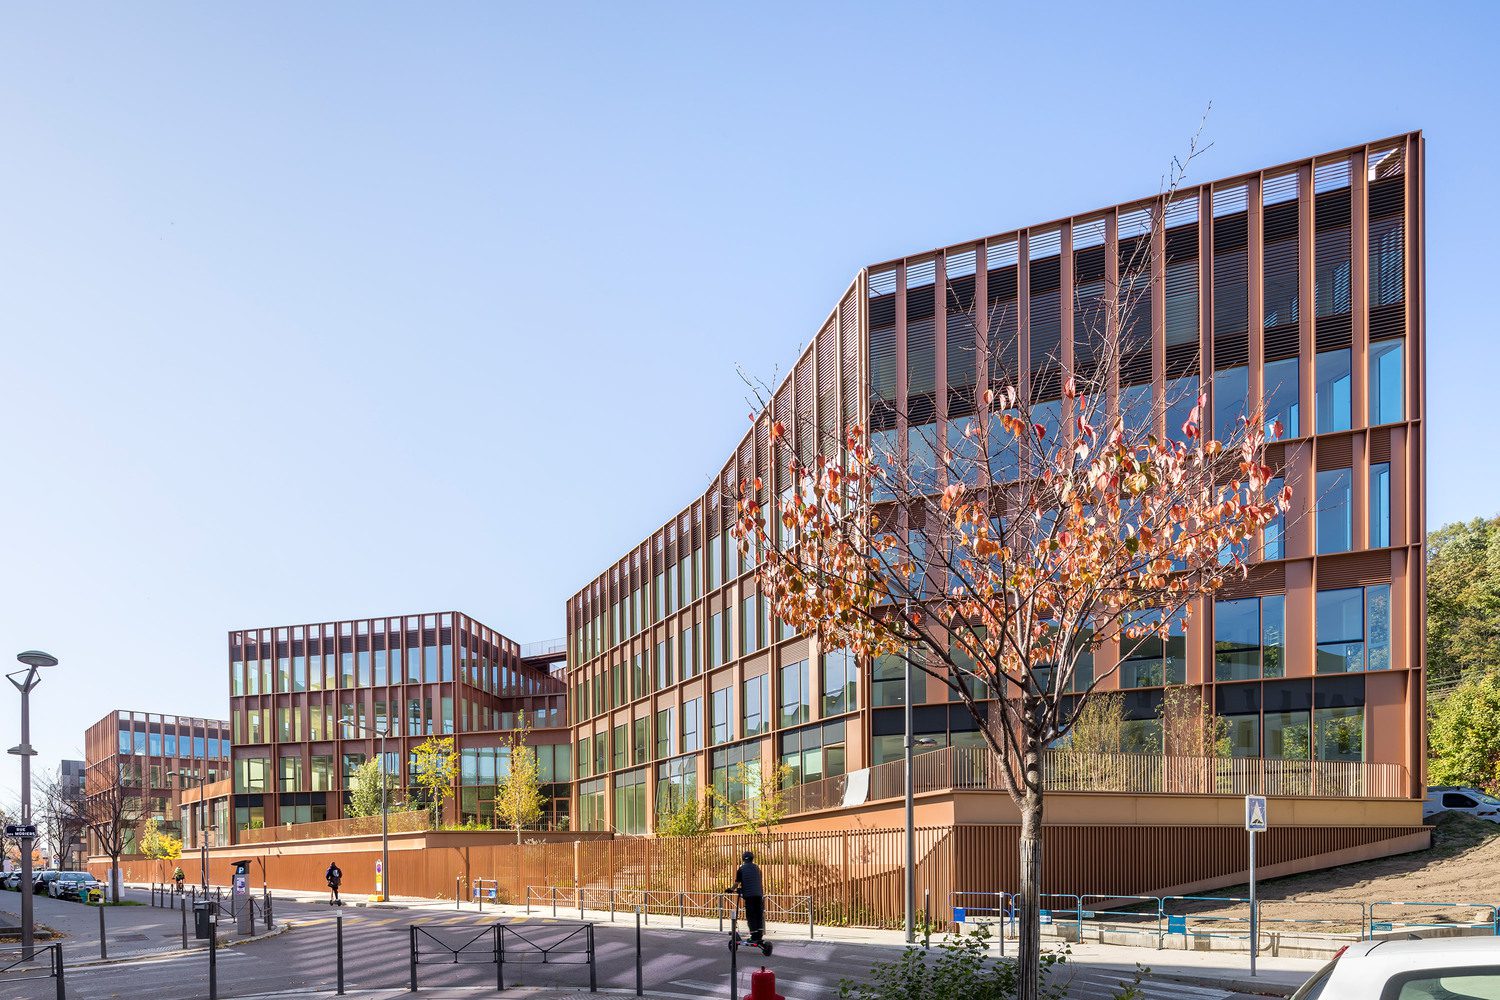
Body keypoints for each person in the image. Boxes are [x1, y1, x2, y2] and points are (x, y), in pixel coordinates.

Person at [728, 850, 765, 944]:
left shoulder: (741, 869)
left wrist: (731, 889)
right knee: (758, 915)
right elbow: (758, 880)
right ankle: (759, 935)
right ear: (752, 859)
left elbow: (737, 883)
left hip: (749, 896)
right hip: (759, 895)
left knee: (751, 916)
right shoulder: (757, 868)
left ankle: (754, 937)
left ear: (743, 859)